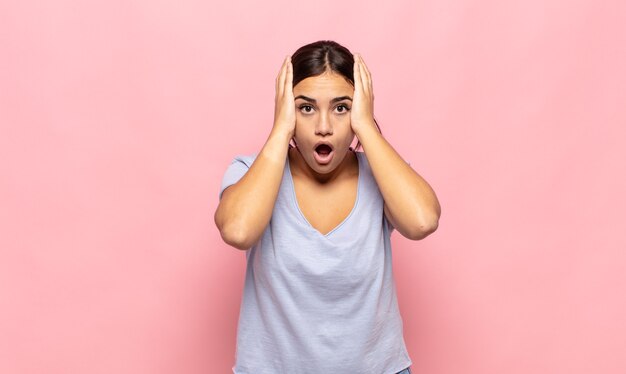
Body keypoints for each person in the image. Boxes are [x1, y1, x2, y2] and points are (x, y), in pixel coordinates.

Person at [214, 40, 441, 374]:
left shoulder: (382, 174)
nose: (323, 126)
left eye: (341, 108)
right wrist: (279, 130)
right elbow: (237, 230)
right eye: (306, 108)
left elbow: (422, 221)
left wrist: (366, 127)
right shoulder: (251, 173)